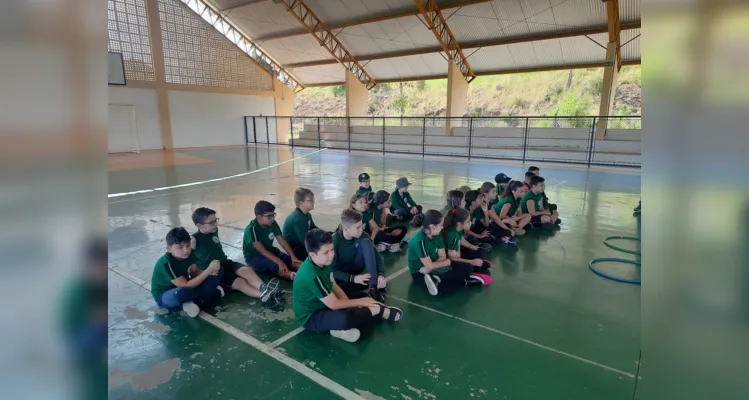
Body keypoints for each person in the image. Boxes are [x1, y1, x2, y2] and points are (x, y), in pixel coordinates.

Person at [292, 229, 403, 343]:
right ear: (312, 254)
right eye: (326, 252)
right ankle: (377, 310)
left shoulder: (323, 262)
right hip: (312, 315)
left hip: (325, 302)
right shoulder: (313, 276)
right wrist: (361, 302)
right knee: (347, 316)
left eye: (332, 249)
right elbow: (334, 305)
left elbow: (333, 284)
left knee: (360, 296)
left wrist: (347, 302)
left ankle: (341, 326)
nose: (331, 255)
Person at [191, 207, 281, 303]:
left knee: (247, 271)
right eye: (211, 222)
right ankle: (263, 295)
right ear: (199, 225)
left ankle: (263, 288)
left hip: (226, 263)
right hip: (215, 271)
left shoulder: (214, 230)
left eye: (216, 220)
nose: (216, 224)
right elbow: (191, 266)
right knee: (240, 283)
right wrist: (204, 273)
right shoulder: (193, 240)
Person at [408, 210, 488, 296]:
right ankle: (463, 282)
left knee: (467, 268)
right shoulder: (419, 241)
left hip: (433, 266)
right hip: (420, 272)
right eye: (440, 225)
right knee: (441, 290)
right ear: (432, 226)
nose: (442, 227)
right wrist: (445, 262)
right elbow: (431, 265)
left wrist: (438, 265)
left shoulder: (437, 234)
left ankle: (439, 278)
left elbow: (442, 256)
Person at [151, 227, 224, 317]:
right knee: (183, 293)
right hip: (166, 294)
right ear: (169, 249)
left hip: (188, 285)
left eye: (188, 245)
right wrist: (208, 271)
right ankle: (206, 295)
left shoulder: (190, 254)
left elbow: (194, 272)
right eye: (180, 247)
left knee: (219, 269)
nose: (185, 250)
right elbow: (185, 285)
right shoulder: (166, 263)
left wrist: (211, 271)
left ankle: (194, 301)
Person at [331, 209, 388, 302]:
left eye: (362, 226)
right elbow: (330, 270)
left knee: (366, 241)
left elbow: (377, 257)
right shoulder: (334, 240)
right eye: (357, 227)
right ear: (346, 229)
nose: (361, 229)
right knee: (342, 289)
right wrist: (352, 278)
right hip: (341, 275)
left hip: (356, 270)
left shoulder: (363, 235)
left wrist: (381, 274)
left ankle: (373, 288)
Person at [243, 200, 303, 281]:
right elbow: (263, 251)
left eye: (273, 215)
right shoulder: (252, 229)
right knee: (277, 266)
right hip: (254, 257)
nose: (272, 218)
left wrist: (293, 257)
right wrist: (279, 262)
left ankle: (309, 271)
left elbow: (283, 242)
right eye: (269, 216)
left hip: (271, 251)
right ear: (259, 217)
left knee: (290, 260)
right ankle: (299, 278)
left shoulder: (272, 223)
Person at [443, 208, 492, 275]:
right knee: (468, 268)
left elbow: (460, 241)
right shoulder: (452, 235)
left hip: (455, 254)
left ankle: (479, 264)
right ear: (460, 224)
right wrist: (471, 262)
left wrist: (471, 246)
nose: (471, 223)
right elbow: (452, 259)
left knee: (478, 253)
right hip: (448, 259)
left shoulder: (458, 229)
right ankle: (473, 272)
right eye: (468, 221)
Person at [282, 188, 318, 260]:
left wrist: (326, 234)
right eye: (310, 200)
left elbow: (313, 228)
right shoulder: (297, 219)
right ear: (301, 203)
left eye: (313, 199)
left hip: (301, 243)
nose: (313, 202)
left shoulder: (307, 215)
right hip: (295, 248)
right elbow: (304, 241)